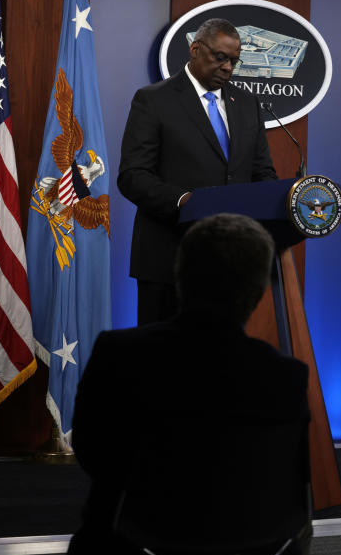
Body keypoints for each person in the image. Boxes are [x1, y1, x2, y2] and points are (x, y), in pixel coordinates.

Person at [61, 214, 311, 555]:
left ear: (180, 275)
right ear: (260, 289)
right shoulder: (285, 374)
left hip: (141, 543)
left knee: (171, 514)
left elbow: (91, 451)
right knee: (299, 524)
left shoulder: (119, 352)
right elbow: (295, 477)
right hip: (255, 548)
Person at [119, 18, 277, 325]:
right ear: (195, 49)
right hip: (167, 261)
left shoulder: (247, 105)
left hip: (230, 265)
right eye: (220, 57)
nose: (228, 68)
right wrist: (184, 201)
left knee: (217, 367)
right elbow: (133, 175)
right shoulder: (153, 100)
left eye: (234, 61)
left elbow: (263, 174)